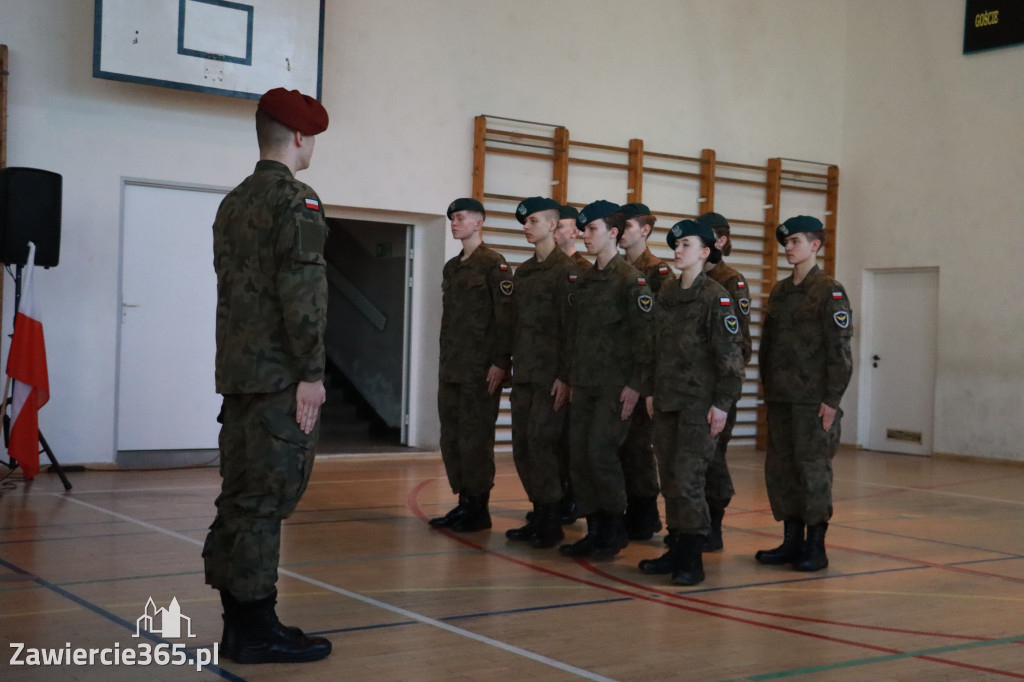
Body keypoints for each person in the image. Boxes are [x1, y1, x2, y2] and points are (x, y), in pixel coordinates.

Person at [204, 87, 332, 664]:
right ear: (300, 137)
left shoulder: (233, 202)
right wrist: (311, 372)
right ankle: (256, 631)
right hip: (280, 380)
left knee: (239, 498)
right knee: (265, 503)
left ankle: (241, 622)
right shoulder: (295, 200)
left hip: (238, 379)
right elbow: (302, 295)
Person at [637, 220, 744, 586]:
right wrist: (651, 390)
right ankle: (676, 548)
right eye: (676, 244)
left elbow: (730, 357)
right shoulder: (666, 291)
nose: (678, 250)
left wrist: (723, 404)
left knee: (689, 480)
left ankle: (693, 557)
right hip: (667, 401)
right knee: (669, 478)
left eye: (686, 245)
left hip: (699, 406)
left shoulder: (715, 296)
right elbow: (654, 348)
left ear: (705, 251)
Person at [755, 215, 853, 572]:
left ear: (815, 245)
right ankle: (791, 540)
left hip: (813, 401)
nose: (788, 248)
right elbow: (768, 346)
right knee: (781, 471)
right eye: (786, 242)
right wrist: (767, 391)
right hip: (781, 398)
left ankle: (816, 546)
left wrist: (832, 400)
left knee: (812, 471)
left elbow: (840, 352)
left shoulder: (830, 290)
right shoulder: (781, 291)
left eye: (795, 241)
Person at [559, 200, 653, 559]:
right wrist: (568, 378)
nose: (585, 235)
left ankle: (614, 529)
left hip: (616, 387)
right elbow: (575, 335)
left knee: (601, 454)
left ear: (613, 233)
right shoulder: (585, 281)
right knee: (580, 456)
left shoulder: (631, 280)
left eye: (592, 230)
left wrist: (636, 384)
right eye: (582, 230)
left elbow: (646, 338)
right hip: (584, 383)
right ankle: (595, 528)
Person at [429, 198, 514, 533]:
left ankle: (479, 508)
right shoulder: (452, 267)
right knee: (451, 437)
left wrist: (500, 362)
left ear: (479, 222)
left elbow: (505, 318)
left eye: (460, 218)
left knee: (475, 439)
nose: (454, 223)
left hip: (480, 371)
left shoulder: (494, 264)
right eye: (452, 218)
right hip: (452, 367)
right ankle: (464, 502)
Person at [505, 196, 580, 548]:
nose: (526, 226)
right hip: (525, 375)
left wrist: (565, 376)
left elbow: (573, 331)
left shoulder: (567, 272)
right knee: (522, 446)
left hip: (551, 378)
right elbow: (515, 325)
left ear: (553, 225)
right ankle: (539, 512)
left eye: (533, 221)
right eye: (525, 221)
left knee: (543, 446)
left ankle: (551, 521)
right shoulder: (525, 272)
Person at [617, 202, 675, 540]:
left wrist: (643, 382)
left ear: (646, 230)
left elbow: (656, 332)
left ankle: (644, 513)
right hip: (616, 372)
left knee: (639, 448)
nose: (622, 232)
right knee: (620, 447)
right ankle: (630, 510)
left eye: (628, 226)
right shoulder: (617, 269)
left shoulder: (656, 271)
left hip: (642, 376)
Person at [695, 211, 753, 552]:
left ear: (720, 242)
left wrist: (719, 389)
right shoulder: (692, 279)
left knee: (713, 458)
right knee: (693, 461)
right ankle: (693, 524)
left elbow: (739, 343)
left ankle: (713, 526)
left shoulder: (731, 281)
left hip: (716, 391)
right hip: (689, 390)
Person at [555, 204, 592, 270]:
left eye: (558, 226)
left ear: (574, 232)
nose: (552, 230)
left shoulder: (585, 269)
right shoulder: (543, 263)